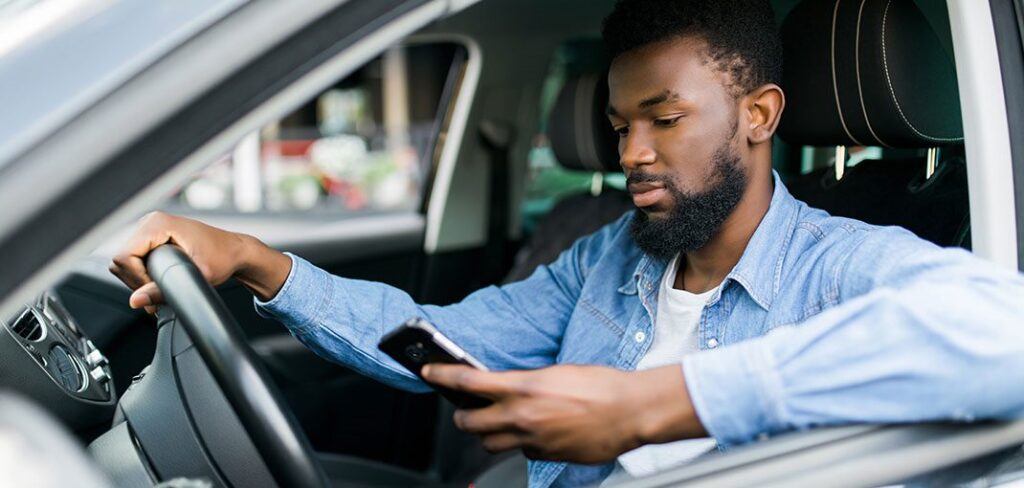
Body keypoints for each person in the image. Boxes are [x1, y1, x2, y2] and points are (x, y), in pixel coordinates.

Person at [109, 0, 1024, 486]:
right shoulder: (609, 257)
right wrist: (260, 263)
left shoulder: (843, 265)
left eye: (664, 119)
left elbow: (1004, 330)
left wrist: (653, 407)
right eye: (621, 122)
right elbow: (437, 337)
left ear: (758, 115)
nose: (631, 153)